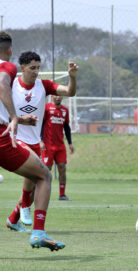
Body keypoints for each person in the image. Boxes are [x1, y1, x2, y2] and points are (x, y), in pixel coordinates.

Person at [0, 32, 65, 250]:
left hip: (28, 137)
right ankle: (38, 232)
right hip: (4, 138)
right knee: (44, 175)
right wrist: (14, 117)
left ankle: (17, 214)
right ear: (10, 50)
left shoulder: (42, 86)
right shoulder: (7, 67)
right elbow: (2, 84)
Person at [6, 51, 78, 231]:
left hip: (34, 141)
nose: (36, 71)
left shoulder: (43, 86)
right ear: (22, 68)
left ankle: (13, 219)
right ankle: (25, 211)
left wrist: (72, 77)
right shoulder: (11, 84)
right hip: (16, 139)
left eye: (38, 68)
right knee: (37, 177)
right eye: (32, 68)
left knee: (33, 187)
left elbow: (69, 92)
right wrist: (20, 119)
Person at [41, 95, 75, 201]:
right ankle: (43, 193)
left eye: (60, 96)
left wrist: (70, 143)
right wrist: (40, 140)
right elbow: (41, 125)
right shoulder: (46, 108)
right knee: (46, 170)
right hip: (48, 145)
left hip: (60, 145)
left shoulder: (65, 110)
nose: (58, 98)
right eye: (56, 95)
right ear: (52, 97)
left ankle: (62, 194)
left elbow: (66, 127)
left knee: (62, 168)